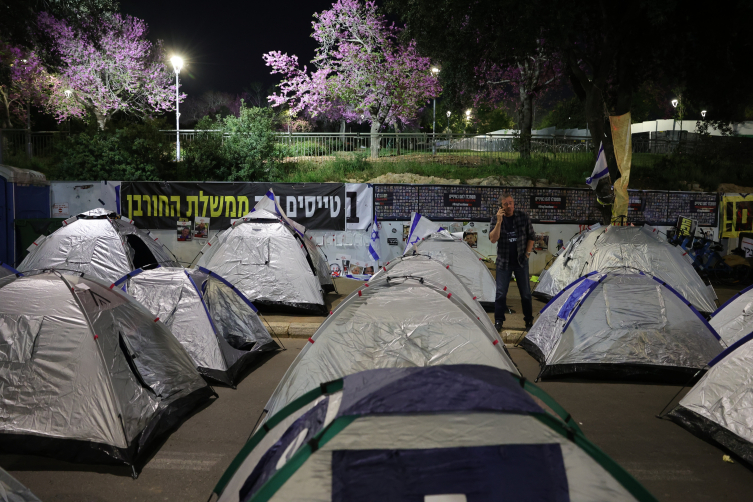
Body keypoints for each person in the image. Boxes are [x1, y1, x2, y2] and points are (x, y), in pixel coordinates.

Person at [489, 192, 535, 332]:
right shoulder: (496, 219)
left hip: (521, 261)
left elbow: (531, 236)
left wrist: (527, 254)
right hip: (504, 262)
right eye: (506, 204)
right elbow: (493, 239)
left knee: (526, 294)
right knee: (501, 293)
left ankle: (528, 321)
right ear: (501, 206)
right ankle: (498, 321)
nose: (509, 206)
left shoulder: (522, 217)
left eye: (511, 203)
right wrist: (498, 222)